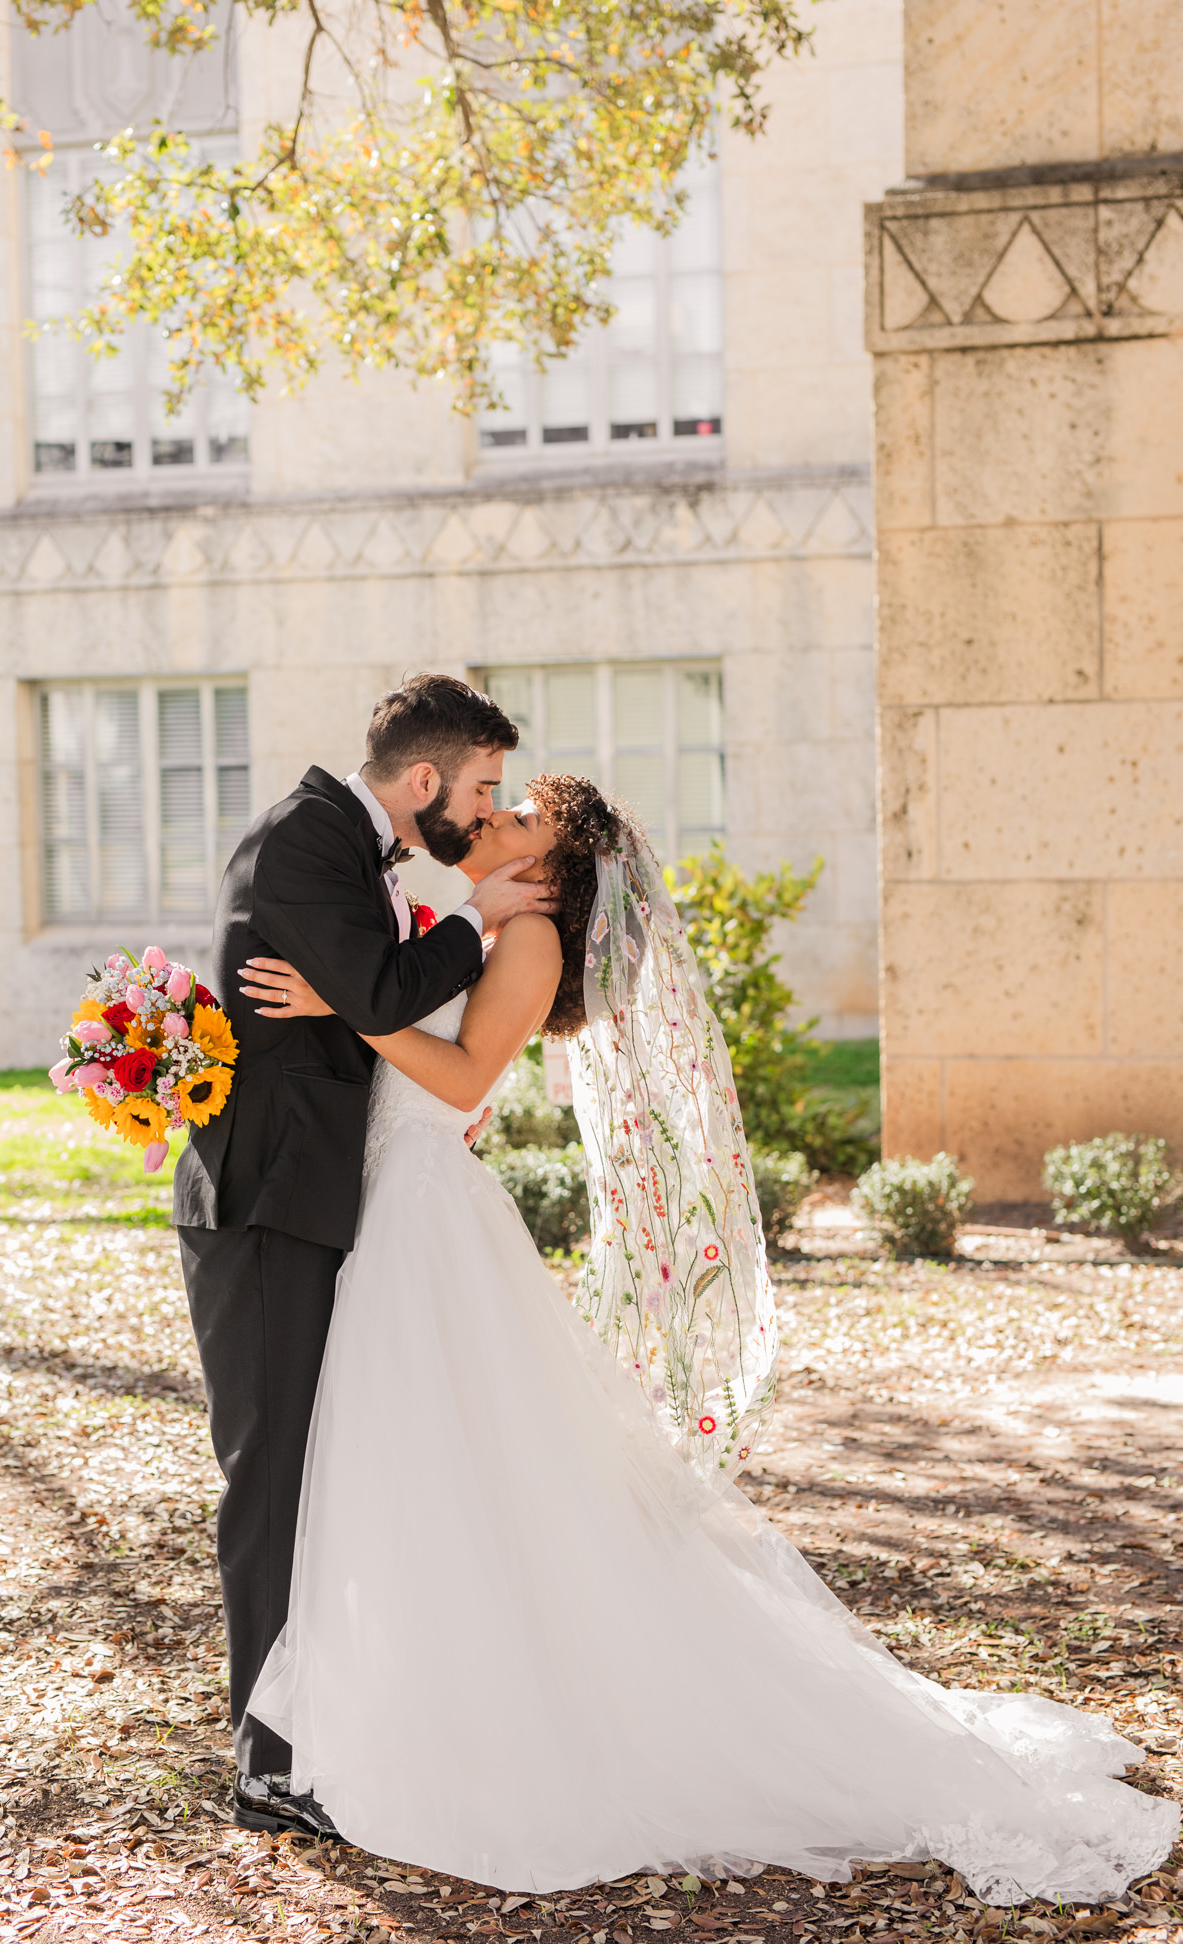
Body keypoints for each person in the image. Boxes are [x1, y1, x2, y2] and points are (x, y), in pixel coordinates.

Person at [237, 772, 1178, 1902]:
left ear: (552, 871)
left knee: (455, 1470)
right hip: (401, 1209)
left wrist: (344, 1006)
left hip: (427, 1221)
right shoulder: (485, 933)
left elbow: (459, 1072)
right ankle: (414, 1703)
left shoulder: (526, 940)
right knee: (431, 1477)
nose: (492, 819)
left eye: (519, 816)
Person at [172, 674, 555, 1837]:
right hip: (269, 1201)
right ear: (424, 779)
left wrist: (353, 997)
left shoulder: (351, 848)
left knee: (326, 1471)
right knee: (274, 1471)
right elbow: (386, 987)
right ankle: (266, 1758)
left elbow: (370, 1006)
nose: (484, 810)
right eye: (481, 786)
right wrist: (466, 923)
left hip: (324, 1198)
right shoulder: (306, 837)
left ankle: (317, 1726)